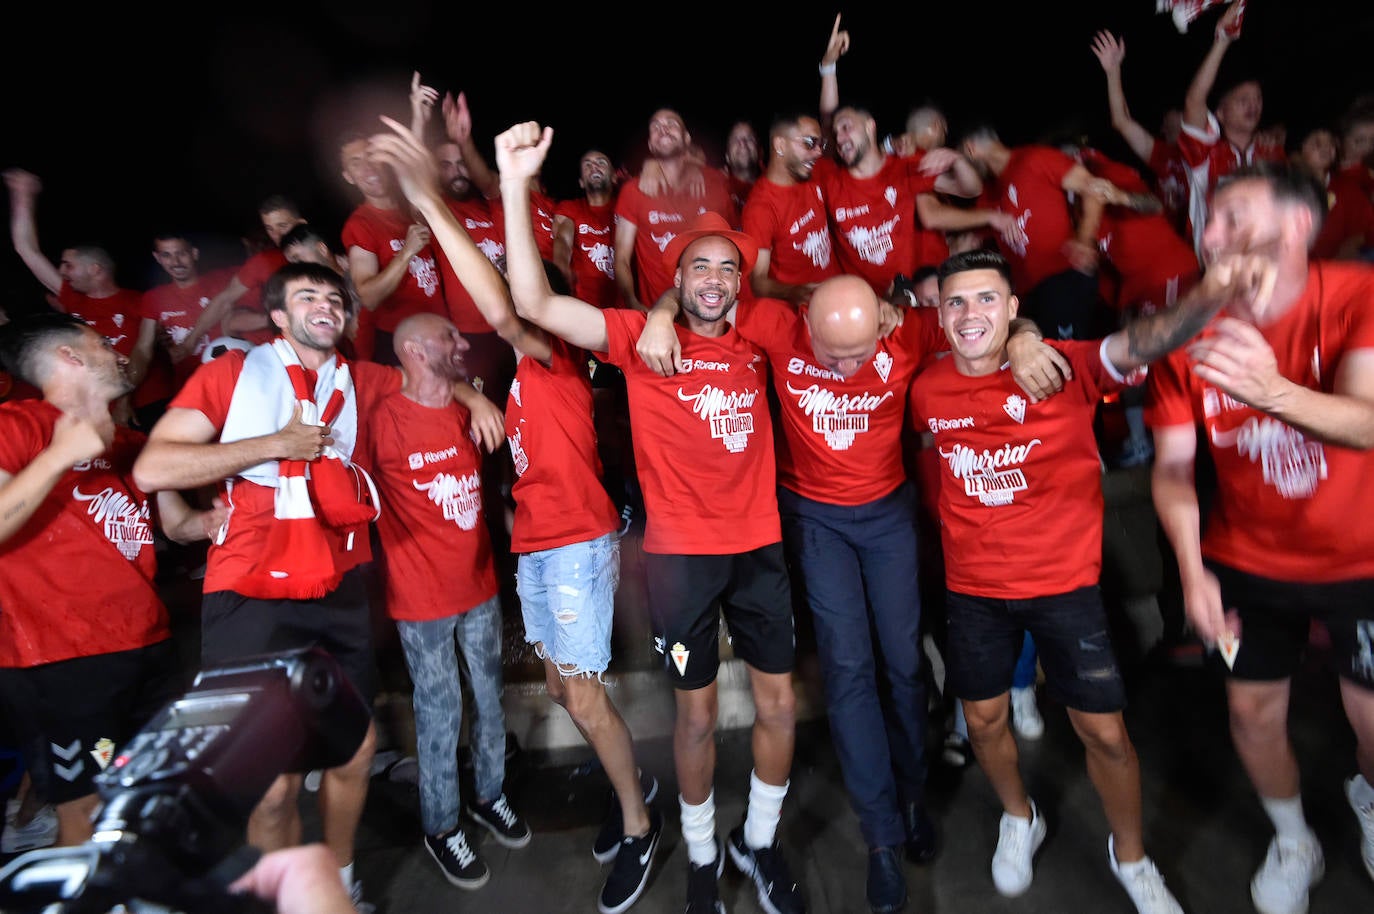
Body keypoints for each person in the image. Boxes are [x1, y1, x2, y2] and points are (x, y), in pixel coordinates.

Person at [634, 267, 1065, 914]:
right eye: (830, 356)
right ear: (804, 321)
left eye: (858, 356)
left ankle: (913, 796)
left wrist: (1027, 336)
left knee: (904, 664)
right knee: (848, 670)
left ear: (883, 323)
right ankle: (881, 837)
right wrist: (659, 315)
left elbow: (991, 321)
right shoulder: (777, 325)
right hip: (815, 519)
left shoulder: (911, 329)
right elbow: (701, 293)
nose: (843, 370)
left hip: (888, 515)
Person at [499, 120, 804, 914]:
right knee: (697, 717)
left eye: (726, 267)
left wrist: (1013, 333)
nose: (714, 277)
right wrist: (513, 184)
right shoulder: (638, 339)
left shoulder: (759, 336)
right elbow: (533, 301)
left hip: (761, 548)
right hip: (679, 559)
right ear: (677, 276)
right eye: (697, 266)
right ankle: (703, 858)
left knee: (778, 705)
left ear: (740, 280)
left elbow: (848, 318)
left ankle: (759, 843)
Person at [130, 260, 503, 909]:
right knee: (271, 787)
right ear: (278, 315)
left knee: (353, 755)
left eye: (335, 297)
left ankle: (340, 880)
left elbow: (429, 372)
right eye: (308, 296)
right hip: (249, 589)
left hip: (336, 584)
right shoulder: (231, 374)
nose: (326, 305)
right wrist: (273, 444)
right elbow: (153, 466)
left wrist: (474, 396)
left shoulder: (357, 376)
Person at [912, 246, 1266, 912]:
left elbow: (1144, 342)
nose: (970, 314)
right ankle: (1020, 817)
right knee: (984, 723)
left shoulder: (1063, 368)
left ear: (1014, 307)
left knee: (1105, 733)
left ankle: (1130, 857)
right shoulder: (927, 389)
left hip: (1065, 588)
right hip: (974, 592)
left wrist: (1210, 293)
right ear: (938, 311)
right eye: (956, 300)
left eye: (987, 299)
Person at [369, 115, 661, 913]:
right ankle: (634, 783)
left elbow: (503, 308)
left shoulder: (555, 358)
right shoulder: (518, 384)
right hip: (538, 551)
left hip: (575, 547)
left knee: (586, 697)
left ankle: (640, 822)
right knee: (569, 694)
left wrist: (438, 202)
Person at [1146, 161, 1374, 914]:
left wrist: (1271, 390)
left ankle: (1366, 793)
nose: (1214, 235)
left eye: (1236, 217)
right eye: (1210, 220)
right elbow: (1175, 466)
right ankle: (1293, 839)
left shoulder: (1358, 294)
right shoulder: (1190, 328)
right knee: (1251, 713)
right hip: (1247, 560)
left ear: (1299, 224)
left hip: (1361, 559)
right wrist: (1190, 571)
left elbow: (1369, 420)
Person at [0, 310, 220, 847]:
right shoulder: (15, 424)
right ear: (71, 357)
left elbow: (177, 525)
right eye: (101, 342)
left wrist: (213, 524)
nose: (116, 349)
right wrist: (58, 456)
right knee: (86, 810)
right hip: (61, 660)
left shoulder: (128, 445)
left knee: (146, 787)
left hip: (147, 643)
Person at [3, 168, 169, 427]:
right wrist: (23, 197)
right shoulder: (73, 299)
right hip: (99, 410)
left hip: (147, 407)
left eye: (68, 265)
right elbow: (27, 250)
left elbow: (144, 353)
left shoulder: (141, 302)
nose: (61, 272)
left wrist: (126, 400)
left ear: (95, 269)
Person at [1176, 0, 1285, 259]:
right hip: (1216, 267)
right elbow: (1194, 101)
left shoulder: (1273, 152)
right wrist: (1222, 41)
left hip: (1264, 265)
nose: (1253, 106)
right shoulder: (1204, 156)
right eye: (1242, 100)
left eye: (1257, 99)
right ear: (1221, 114)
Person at [338, 126, 446, 365]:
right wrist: (406, 252)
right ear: (349, 176)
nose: (368, 167)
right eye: (356, 163)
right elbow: (368, 296)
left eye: (371, 156)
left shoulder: (409, 208)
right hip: (404, 343)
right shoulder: (360, 224)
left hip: (440, 330)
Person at [613, 108, 739, 312]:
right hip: (659, 314)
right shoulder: (633, 191)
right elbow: (621, 258)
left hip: (712, 312)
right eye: (656, 127)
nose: (663, 129)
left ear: (686, 139)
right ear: (650, 144)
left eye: (671, 124)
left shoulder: (715, 182)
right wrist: (633, 303)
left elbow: (735, 245)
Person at [173, 195, 309, 361]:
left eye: (283, 226)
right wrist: (190, 341)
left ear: (301, 224)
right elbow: (224, 300)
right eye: (270, 229)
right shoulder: (263, 262)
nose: (277, 235)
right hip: (283, 354)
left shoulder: (323, 253)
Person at [1091, 29, 1191, 239]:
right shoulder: (1162, 154)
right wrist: (1113, 71)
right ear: (1164, 127)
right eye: (1178, 113)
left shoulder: (1208, 151)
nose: (1184, 117)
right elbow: (1121, 121)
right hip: (1169, 243)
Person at [739, 111, 841, 307]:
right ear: (780, 145)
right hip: (805, 313)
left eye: (821, 144)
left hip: (838, 294)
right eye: (809, 143)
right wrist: (795, 292)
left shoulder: (813, 172)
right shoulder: (760, 207)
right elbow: (758, 281)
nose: (818, 152)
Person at [138, 230, 238, 392]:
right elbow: (143, 347)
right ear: (157, 258)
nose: (175, 262)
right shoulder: (153, 297)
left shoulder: (222, 281)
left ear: (194, 253)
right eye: (166, 255)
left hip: (232, 380)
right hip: (189, 389)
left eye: (181, 254)